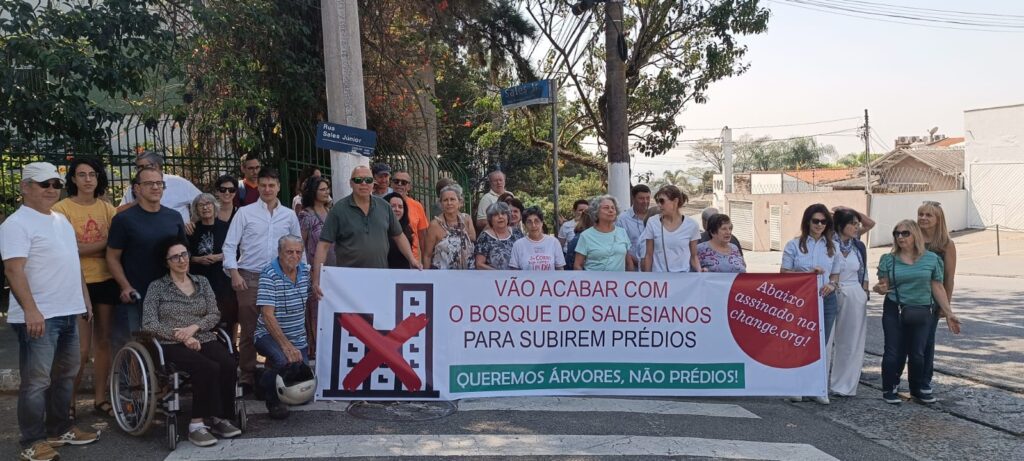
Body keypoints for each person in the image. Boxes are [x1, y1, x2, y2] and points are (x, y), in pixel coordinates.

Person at [3, 163, 99, 461]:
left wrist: (85, 300)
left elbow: (73, 265)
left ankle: (60, 429)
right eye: (43, 183)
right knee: (36, 382)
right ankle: (32, 442)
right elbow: (13, 270)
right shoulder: (15, 225)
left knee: (65, 375)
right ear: (25, 187)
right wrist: (31, 310)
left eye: (56, 184)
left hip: (69, 312)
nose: (51, 189)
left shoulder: (61, 221)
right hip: (38, 317)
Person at [142, 238, 241, 447]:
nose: (182, 260)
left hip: (203, 336)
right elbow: (149, 323)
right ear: (166, 262)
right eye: (175, 257)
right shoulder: (157, 287)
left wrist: (194, 329)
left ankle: (218, 417)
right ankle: (196, 425)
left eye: (184, 254)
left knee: (228, 363)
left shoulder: (201, 282)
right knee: (206, 368)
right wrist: (184, 337)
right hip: (170, 343)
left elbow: (214, 313)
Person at [222, 167, 302, 392]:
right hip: (249, 277)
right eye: (263, 185)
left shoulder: (289, 215)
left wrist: (297, 275)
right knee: (248, 329)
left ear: (278, 187)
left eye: (271, 185)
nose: (267, 189)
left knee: (276, 326)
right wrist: (234, 273)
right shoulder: (245, 213)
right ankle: (247, 375)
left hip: (279, 278)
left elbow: (298, 248)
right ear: (258, 186)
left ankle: (272, 373)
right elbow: (229, 246)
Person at [51, 157, 118, 418]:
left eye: (93, 174)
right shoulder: (61, 209)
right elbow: (70, 250)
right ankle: (68, 402)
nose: (88, 179)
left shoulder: (107, 208)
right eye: (82, 174)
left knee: (104, 343)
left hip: (106, 280)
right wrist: (104, 245)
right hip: (76, 283)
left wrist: (99, 248)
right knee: (80, 348)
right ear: (73, 179)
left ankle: (100, 399)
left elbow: (118, 243)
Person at [873, 220, 960, 405]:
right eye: (897, 233)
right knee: (893, 351)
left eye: (905, 233)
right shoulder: (888, 259)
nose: (900, 237)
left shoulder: (931, 259)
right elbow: (884, 285)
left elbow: (937, 286)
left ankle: (917, 388)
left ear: (915, 235)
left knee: (918, 353)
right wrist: (880, 288)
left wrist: (948, 312)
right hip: (895, 308)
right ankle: (890, 387)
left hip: (922, 310)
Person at [107, 167, 188, 354]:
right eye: (149, 183)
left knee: (168, 348)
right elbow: (112, 257)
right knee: (137, 346)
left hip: (168, 294)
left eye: (159, 183)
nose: (155, 187)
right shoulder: (124, 220)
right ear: (137, 188)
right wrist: (125, 286)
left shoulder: (173, 217)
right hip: (137, 295)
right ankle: (136, 384)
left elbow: (183, 254)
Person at [312, 166, 422, 297]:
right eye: (358, 180)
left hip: (379, 278)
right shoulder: (338, 210)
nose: (364, 183)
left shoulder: (384, 207)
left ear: (373, 183)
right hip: (349, 281)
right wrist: (316, 277)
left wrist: (412, 259)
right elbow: (323, 245)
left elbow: (399, 236)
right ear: (351, 183)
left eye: (368, 180)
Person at [780, 204, 836, 405]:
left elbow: (835, 274)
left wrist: (832, 284)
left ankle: (817, 387)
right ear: (807, 222)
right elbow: (784, 273)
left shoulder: (832, 247)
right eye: (815, 221)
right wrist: (807, 275)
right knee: (799, 342)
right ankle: (796, 386)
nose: (819, 225)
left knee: (821, 344)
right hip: (801, 299)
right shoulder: (793, 245)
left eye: (823, 221)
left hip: (826, 298)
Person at [255, 236, 313, 419]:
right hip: (267, 334)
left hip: (298, 336)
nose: (294, 256)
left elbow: (313, 296)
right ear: (279, 253)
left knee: (300, 385)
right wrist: (286, 346)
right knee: (283, 360)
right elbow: (267, 315)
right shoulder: (269, 274)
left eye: (298, 252)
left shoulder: (306, 272)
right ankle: (273, 402)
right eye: (289, 252)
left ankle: (263, 380)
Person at [828, 208, 870, 397]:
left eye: (856, 223)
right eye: (852, 223)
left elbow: (864, 271)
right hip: (830, 290)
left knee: (850, 342)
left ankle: (843, 385)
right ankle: (818, 382)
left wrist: (864, 292)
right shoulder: (827, 243)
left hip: (854, 292)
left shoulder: (857, 246)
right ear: (840, 225)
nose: (856, 227)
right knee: (827, 340)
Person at [917, 201, 956, 397]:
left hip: (932, 301)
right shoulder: (910, 237)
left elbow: (949, 277)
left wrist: (945, 306)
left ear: (938, 219)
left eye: (928, 215)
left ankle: (924, 381)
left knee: (926, 342)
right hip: (908, 299)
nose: (923, 218)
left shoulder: (946, 245)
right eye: (921, 214)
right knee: (904, 343)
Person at [187, 194, 236, 346]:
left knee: (227, 316)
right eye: (201, 205)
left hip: (222, 280)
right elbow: (183, 254)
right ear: (196, 210)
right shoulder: (191, 230)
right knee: (202, 316)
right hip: (199, 281)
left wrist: (219, 257)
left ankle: (230, 347)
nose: (205, 207)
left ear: (215, 206)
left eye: (208, 203)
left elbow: (236, 250)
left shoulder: (226, 227)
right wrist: (197, 259)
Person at [297, 176, 334, 359]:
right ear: (313, 192)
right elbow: (300, 245)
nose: (326, 192)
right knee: (315, 311)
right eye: (322, 189)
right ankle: (317, 349)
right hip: (315, 270)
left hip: (334, 270)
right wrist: (308, 272)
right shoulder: (307, 216)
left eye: (327, 188)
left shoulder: (331, 212)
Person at [117, 151, 201, 222]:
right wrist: (137, 201)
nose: (141, 170)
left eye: (145, 166)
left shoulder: (178, 183)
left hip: (176, 236)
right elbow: (118, 212)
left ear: (157, 166)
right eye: (139, 167)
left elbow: (203, 201)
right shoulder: (134, 187)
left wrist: (192, 222)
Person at [641, 186, 701, 273]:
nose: (659, 205)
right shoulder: (652, 222)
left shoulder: (692, 225)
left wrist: (700, 272)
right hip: (659, 280)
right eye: (658, 201)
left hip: (682, 279)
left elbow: (694, 256)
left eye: (662, 201)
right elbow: (648, 255)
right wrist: (647, 279)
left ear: (675, 201)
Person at [423, 183, 476, 270]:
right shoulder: (434, 225)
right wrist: (426, 278)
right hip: (443, 275)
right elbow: (427, 255)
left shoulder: (466, 219)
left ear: (460, 202)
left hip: (467, 273)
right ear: (440, 203)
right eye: (445, 200)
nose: (449, 203)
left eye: (452, 199)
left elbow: (473, 239)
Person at [575, 195, 634, 271]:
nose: (611, 210)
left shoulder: (622, 232)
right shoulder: (586, 235)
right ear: (596, 212)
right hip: (595, 282)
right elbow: (577, 265)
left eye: (613, 208)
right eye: (606, 208)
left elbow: (629, 262)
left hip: (619, 282)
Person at [390, 170, 429, 259]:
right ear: (391, 184)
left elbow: (422, 236)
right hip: (388, 260)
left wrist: (425, 260)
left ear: (409, 186)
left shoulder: (417, 206)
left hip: (411, 260)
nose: (399, 184)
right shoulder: (383, 203)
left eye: (403, 182)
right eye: (396, 181)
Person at [616, 184, 651, 271]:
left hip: (653, 270)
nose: (645, 201)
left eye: (648, 198)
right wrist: (640, 263)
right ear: (633, 198)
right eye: (641, 198)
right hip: (631, 271)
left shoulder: (655, 218)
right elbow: (620, 247)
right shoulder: (621, 220)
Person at [474, 202, 517, 270]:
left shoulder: (516, 233)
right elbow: (479, 264)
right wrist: (498, 274)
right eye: (496, 215)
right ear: (490, 219)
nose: (500, 217)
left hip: (518, 278)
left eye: (503, 214)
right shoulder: (485, 237)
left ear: (508, 217)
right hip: (494, 279)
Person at [383, 192, 415, 269]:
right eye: (393, 206)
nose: (397, 209)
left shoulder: (407, 229)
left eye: (400, 207)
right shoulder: (379, 229)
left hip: (402, 274)